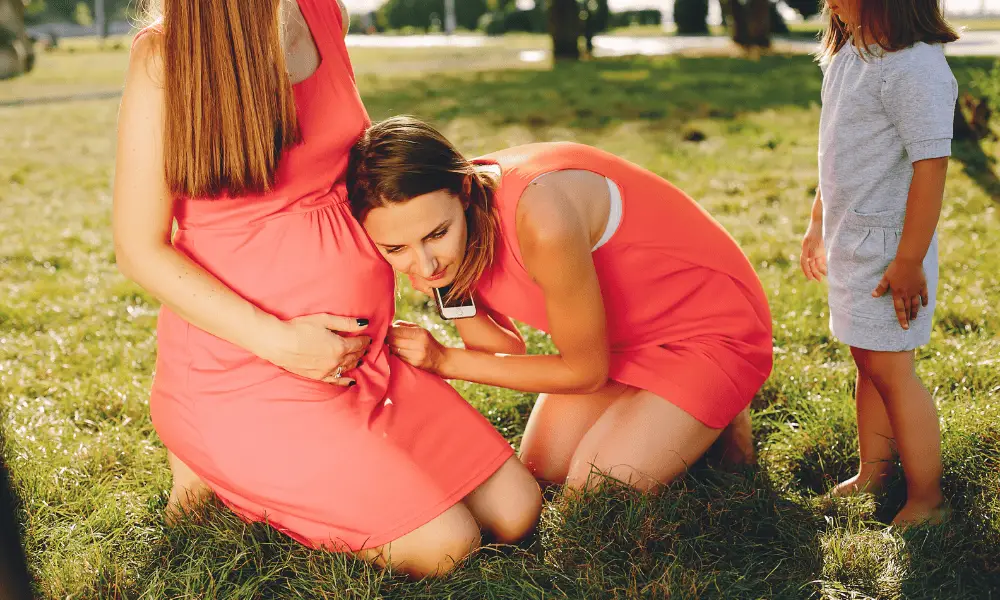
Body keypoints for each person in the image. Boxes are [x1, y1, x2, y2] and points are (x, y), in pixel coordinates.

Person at [112, 0, 540, 578]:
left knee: (518, 511)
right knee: (449, 546)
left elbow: (366, 175)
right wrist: (282, 342)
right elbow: (140, 249)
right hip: (248, 371)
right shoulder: (164, 59)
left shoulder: (320, 13)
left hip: (364, 359)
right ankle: (214, 461)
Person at [348, 117, 774, 493]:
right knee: (543, 474)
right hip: (619, 342)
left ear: (463, 189)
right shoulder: (444, 222)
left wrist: (442, 361)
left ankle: (719, 401)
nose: (422, 263)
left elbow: (584, 373)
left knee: (594, 493)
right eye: (395, 248)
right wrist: (451, 288)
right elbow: (504, 351)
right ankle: (688, 417)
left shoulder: (541, 216)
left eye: (436, 235)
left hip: (708, 328)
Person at [799, 0, 957, 525]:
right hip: (853, 241)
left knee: (893, 370)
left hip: (891, 251)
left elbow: (931, 167)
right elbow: (835, 154)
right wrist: (818, 220)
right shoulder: (849, 55)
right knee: (867, 361)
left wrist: (909, 259)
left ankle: (927, 499)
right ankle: (875, 471)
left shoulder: (913, 68)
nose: (830, 2)